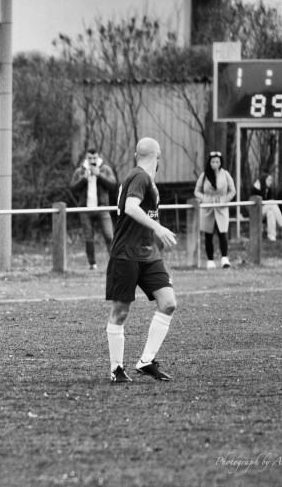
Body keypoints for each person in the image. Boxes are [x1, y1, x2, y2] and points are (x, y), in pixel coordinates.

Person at [105, 137, 178, 384]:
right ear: (158, 156)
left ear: (137, 154)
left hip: (148, 255)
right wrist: (158, 228)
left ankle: (146, 361)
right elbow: (131, 207)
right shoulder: (140, 177)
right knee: (120, 311)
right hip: (126, 254)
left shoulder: (146, 180)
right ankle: (116, 369)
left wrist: (153, 236)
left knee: (168, 303)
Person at [69, 148, 116, 270]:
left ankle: (115, 262)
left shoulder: (105, 169)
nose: (92, 160)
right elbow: (73, 188)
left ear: (98, 157)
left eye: (94, 158)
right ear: (86, 158)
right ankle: (92, 264)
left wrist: (99, 175)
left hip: (102, 208)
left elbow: (112, 185)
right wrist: (84, 178)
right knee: (88, 238)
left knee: (109, 235)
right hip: (85, 209)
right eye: (90, 158)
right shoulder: (80, 171)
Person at [193, 151, 236, 269]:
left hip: (221, 208)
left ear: (221, 162)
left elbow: (233, 190)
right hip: (207, 209)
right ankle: (210, 260)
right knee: (208, 235)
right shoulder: (204, 175)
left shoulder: (225, 174)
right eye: (213, 162)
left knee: (222, 233)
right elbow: (197, 191)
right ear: (209, 162)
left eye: (217, 161)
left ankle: (224, 258)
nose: (215, 164)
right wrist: (205, 199)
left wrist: (224, 200)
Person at [250, 173, 282, 241]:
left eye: (271, 180)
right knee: (272, 202)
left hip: (264, 212)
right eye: (269, 180)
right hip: (255, 212)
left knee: (271, 212)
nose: (271, 182)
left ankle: (271, 236)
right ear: (264, 180)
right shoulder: (255, 189)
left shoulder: (269, 190)